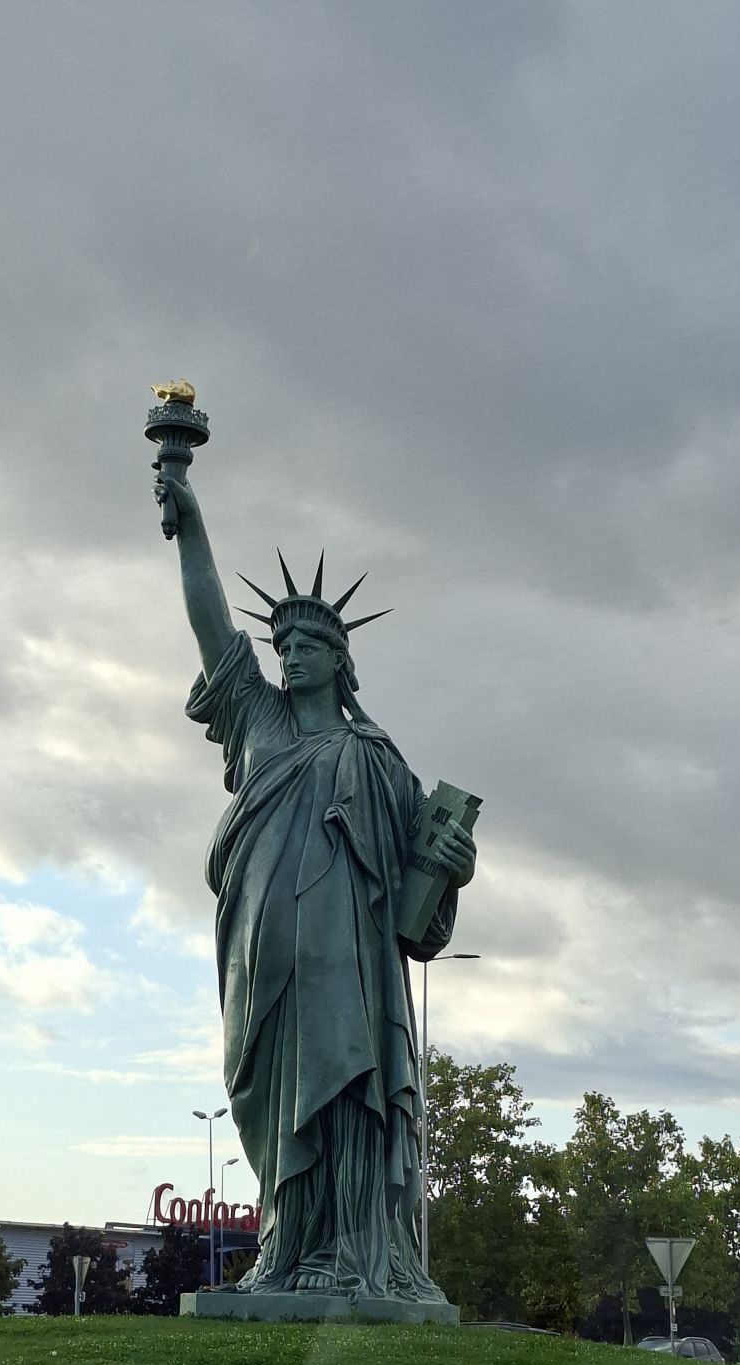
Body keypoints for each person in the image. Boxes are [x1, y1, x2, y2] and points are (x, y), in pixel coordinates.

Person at [160, 471, 476, 1300]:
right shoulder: (256, 720)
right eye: (283, 646)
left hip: (347, 964)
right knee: (267, 1098)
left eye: (308, 646)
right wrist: (191, 520)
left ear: (341, 659)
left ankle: (347, 1256)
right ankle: (285, 1251)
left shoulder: (378, 761)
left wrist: (452, 868)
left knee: (341, 1096)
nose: (290, 656)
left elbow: (418, 907)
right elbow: (208, 622)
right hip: (260, 956)